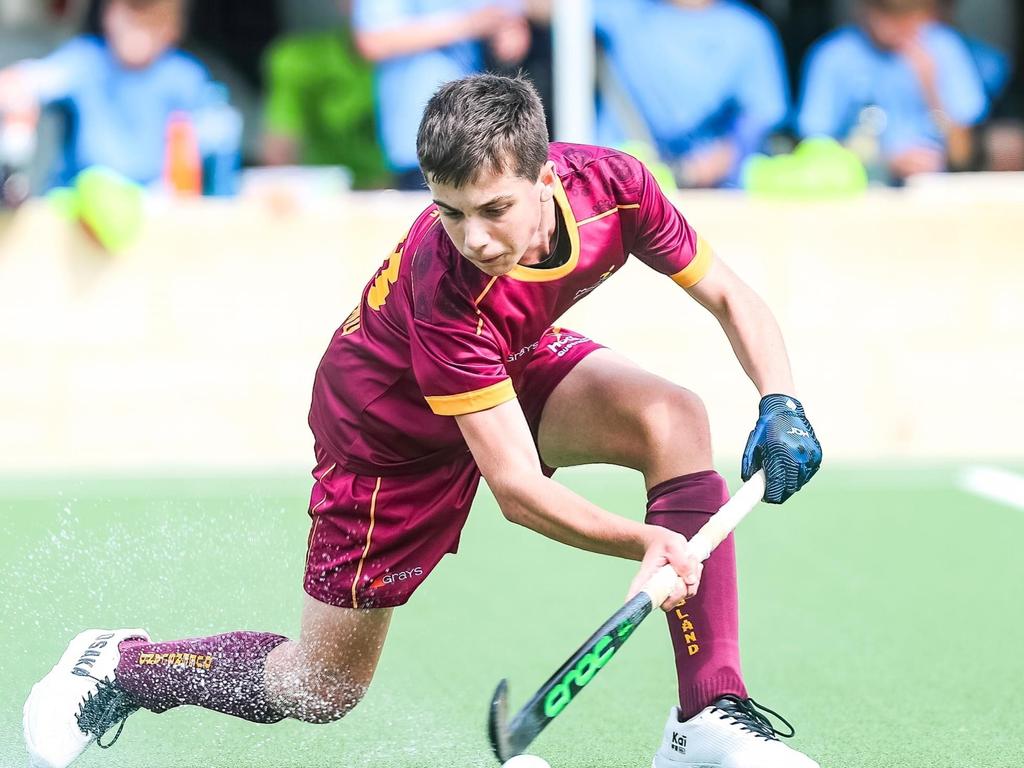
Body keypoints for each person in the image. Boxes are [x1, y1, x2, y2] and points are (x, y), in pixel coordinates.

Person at [23, 74, 823, 768]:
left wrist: (780, 398)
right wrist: (641, 540)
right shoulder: (446, 288)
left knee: (672, 417)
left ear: (549, 176)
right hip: (386, 434)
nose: (474, 237)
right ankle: (122, 666)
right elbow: (514, 487)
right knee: (321, 686)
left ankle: (707, 715)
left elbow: (728, 294)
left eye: (495, 209)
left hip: (509, 357)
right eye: (449, 212)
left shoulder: (616, 185)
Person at [0, 0, 209, 188]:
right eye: (130, 14)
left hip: (154, 207)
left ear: (173, 28)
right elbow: (25, 81)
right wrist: (17, 92)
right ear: (108, 14)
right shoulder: (84, 61)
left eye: (150, 20)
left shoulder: (186, 77)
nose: (136, 28)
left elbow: (217, 133)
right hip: (79, 200)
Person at [595, 0, 789, 188]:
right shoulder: (622, 13)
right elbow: (567, 11)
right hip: (625, 185)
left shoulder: (749, 30)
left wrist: (710, 165)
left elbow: (760, 119)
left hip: (720, 191)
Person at [797, 0, 988, 182]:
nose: (900, 26)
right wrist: (885, 163)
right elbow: (814, 148)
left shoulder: (944, 47)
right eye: (889, 14)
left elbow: (964, 157)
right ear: (864, 9)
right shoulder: (832, 56)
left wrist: (932, 91)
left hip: (936, 188)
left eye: (910, 15)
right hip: (864, 189)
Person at [352, 0, 532, 189]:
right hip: (420, 141)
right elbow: (373, 40)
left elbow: (514, 18)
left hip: (482, 138)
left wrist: (512, 29)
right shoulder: (469, 22)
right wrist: (469, 24)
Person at [260, 1, 391, 189]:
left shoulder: (427, 66)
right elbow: (280, 150)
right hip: (323, 194)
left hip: (404, 192)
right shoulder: (296, 59)